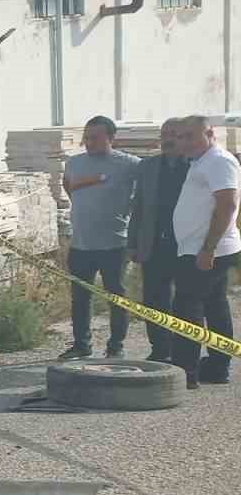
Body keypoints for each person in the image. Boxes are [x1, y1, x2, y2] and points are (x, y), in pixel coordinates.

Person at [58, 115, 141, 359]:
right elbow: (68, 186)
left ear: (111, 138)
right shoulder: (74, 163)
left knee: (117, 297)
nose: (89, 142)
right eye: (87, 137)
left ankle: (116, 347)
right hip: (81, 244)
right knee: (80, 297)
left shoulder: (129, 164)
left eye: (95, 137)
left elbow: (147, 191)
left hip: (114, 244)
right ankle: (81, 345)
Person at [170, 115, 241, 388]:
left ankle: (185, 372)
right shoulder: (202, 161)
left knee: (187, 308)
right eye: (180, 136)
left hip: (206, 250)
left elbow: (228, 205)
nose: (183, 142)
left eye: (189, 136)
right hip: (202, 248)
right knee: (214, 305)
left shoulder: (218, 161)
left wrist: (208, 249)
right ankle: (217, 366)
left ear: (209, 133)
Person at [127, 118, 188, 362]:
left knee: (186, 302)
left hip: (186, 245)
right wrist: (132, 243)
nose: (168, 139)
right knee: (153, 300)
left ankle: (184, 352)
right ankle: (160, 349)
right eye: (164, 134)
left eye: (173, 134)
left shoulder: (195, 166)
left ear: (183, 137)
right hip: (154, 244)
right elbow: (138, 207)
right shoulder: (148, 166)